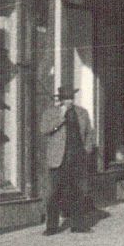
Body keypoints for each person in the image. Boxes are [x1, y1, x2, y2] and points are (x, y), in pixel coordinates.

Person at [40, 84, 97, 235]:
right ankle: (52, 227)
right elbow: (44, 129)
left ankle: (78, 225)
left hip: (77, 158)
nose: (69, 101)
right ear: (60, 100)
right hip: (58, 159)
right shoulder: (51, 112)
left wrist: (87, 150)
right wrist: (61, 117)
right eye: (66, 99)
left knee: (77, 192)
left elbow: (89, 133)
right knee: (54, 193)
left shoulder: (82, 113)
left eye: (71, 98)